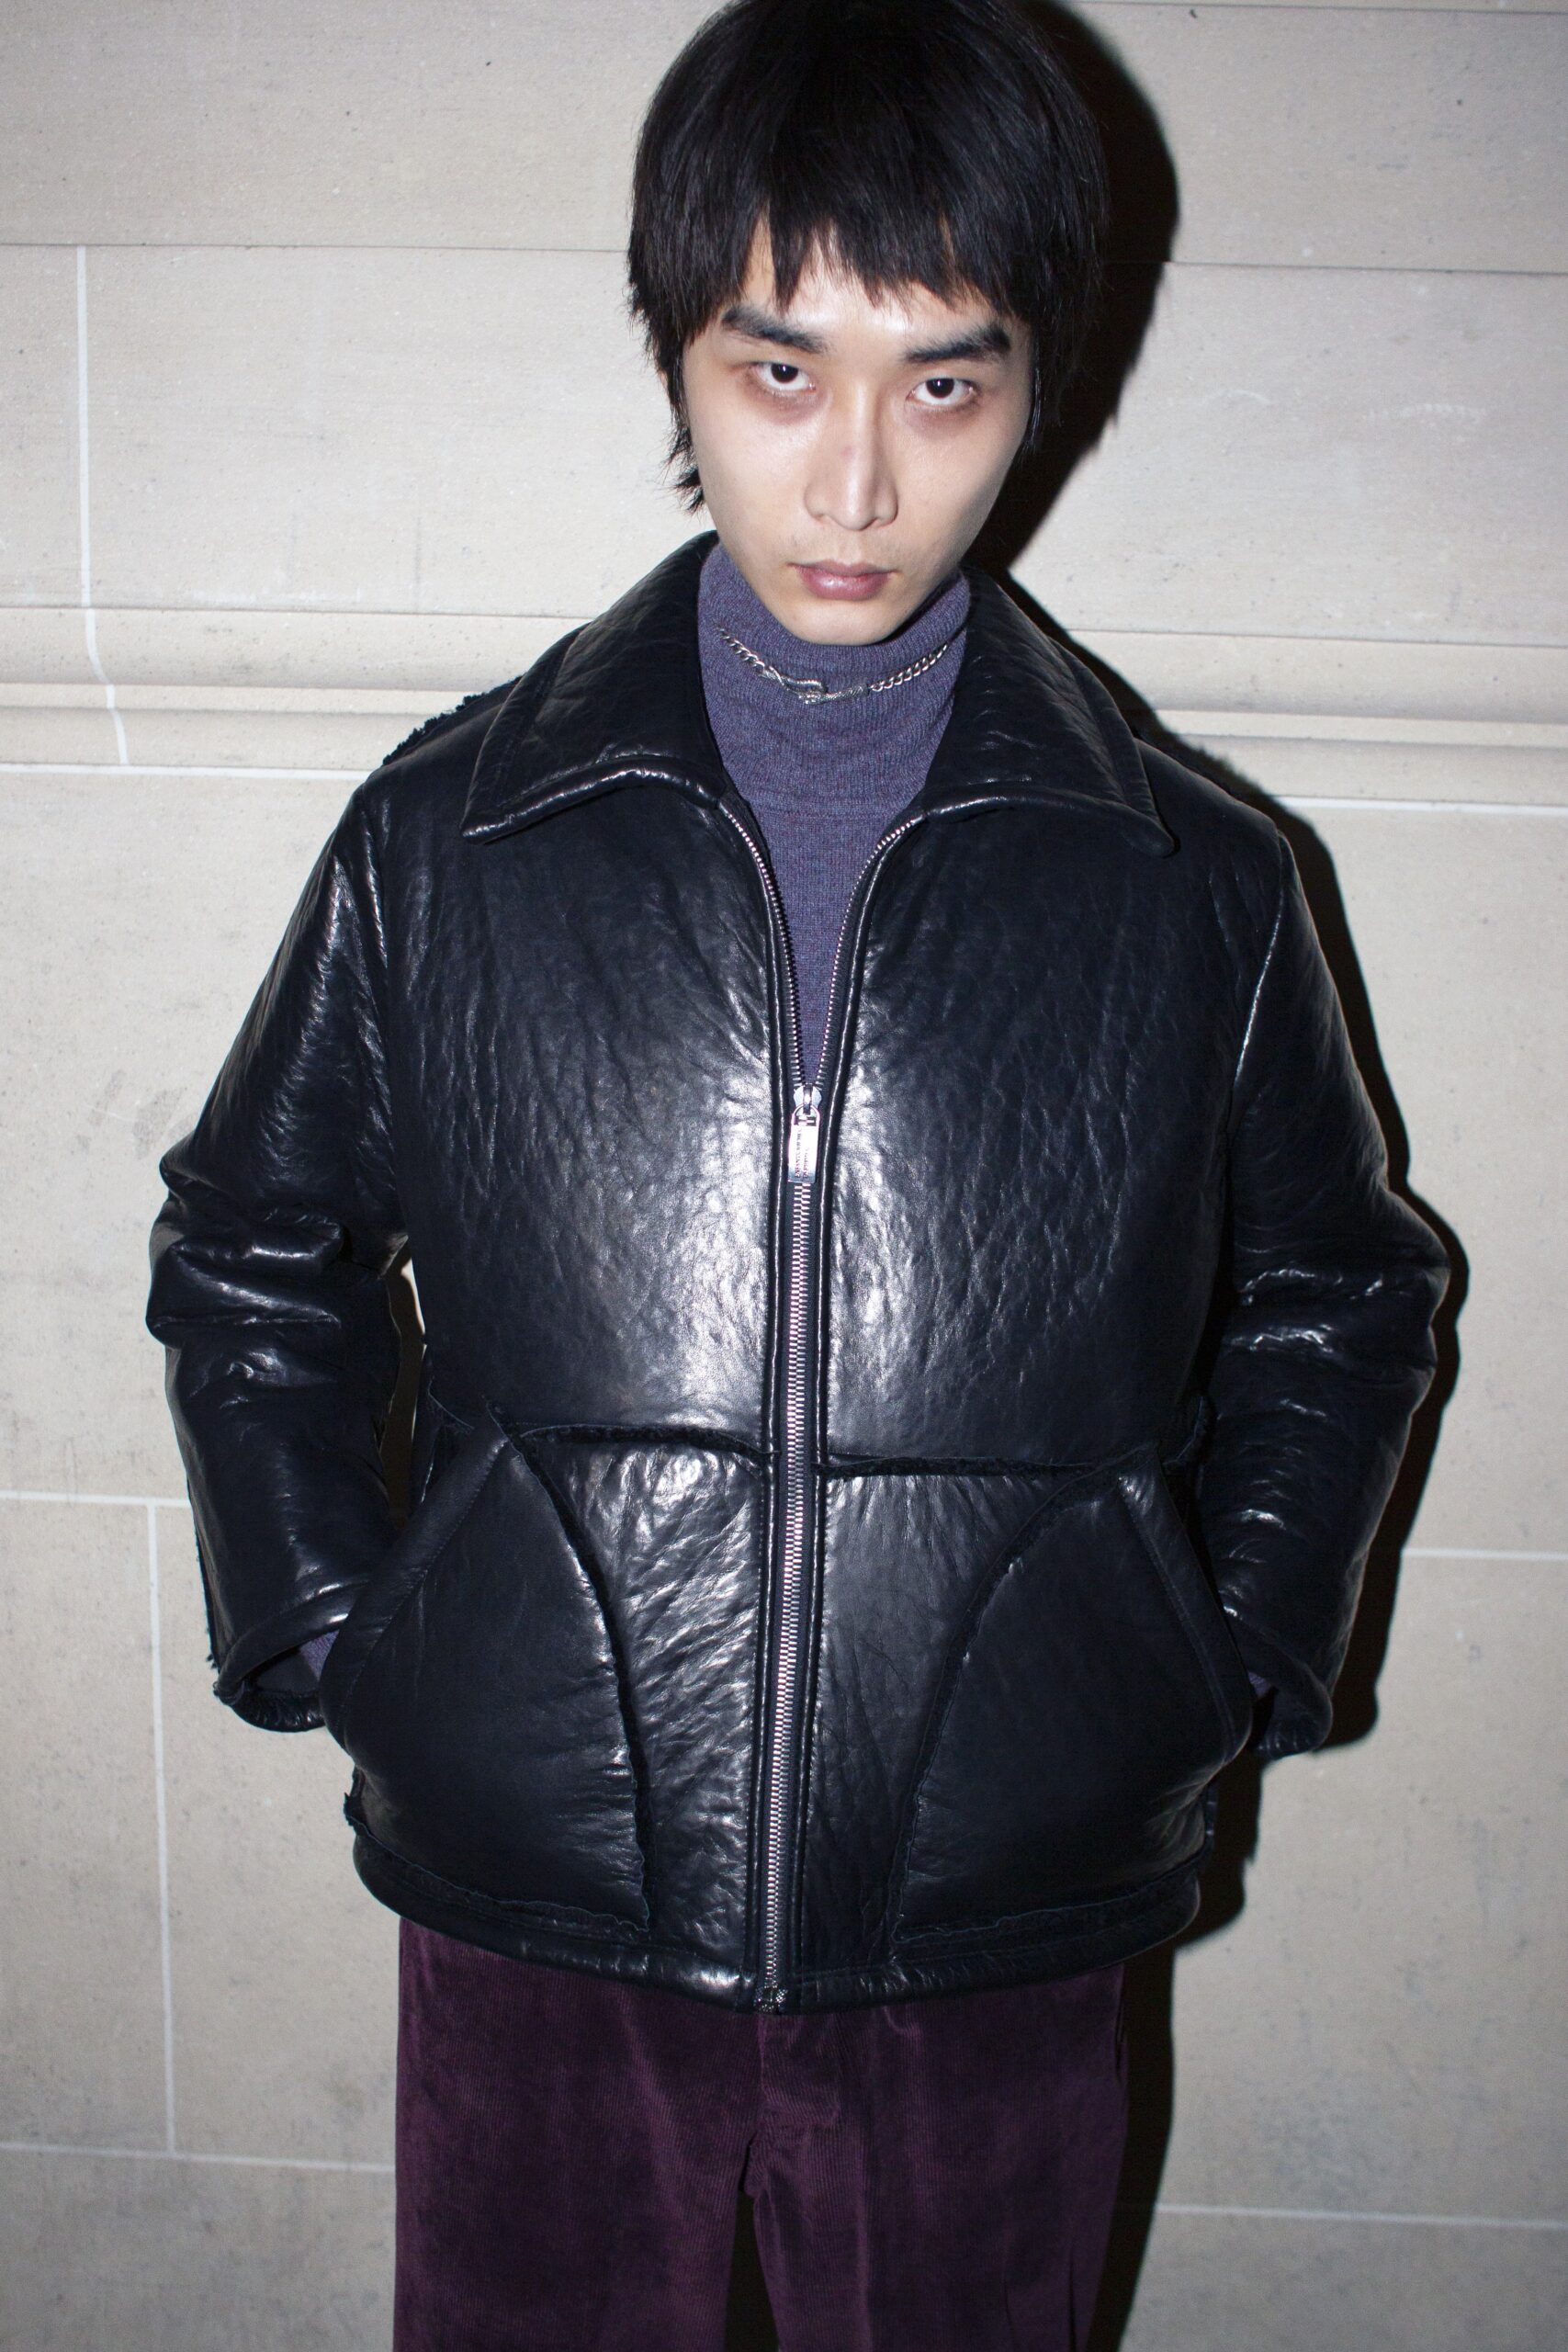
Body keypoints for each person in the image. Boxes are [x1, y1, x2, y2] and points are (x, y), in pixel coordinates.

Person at [143, 1, 1450, 2345]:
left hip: (1000, 1913)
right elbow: (255, 1249)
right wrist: (354, 1637)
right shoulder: (453, 840)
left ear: (1037, 390)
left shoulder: (1189, 884)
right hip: (543, 1904)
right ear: (675, 353)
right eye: (779, 371)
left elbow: (1336, 1299)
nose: (853, 482)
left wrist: (1218, 1652)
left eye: (941, 383)